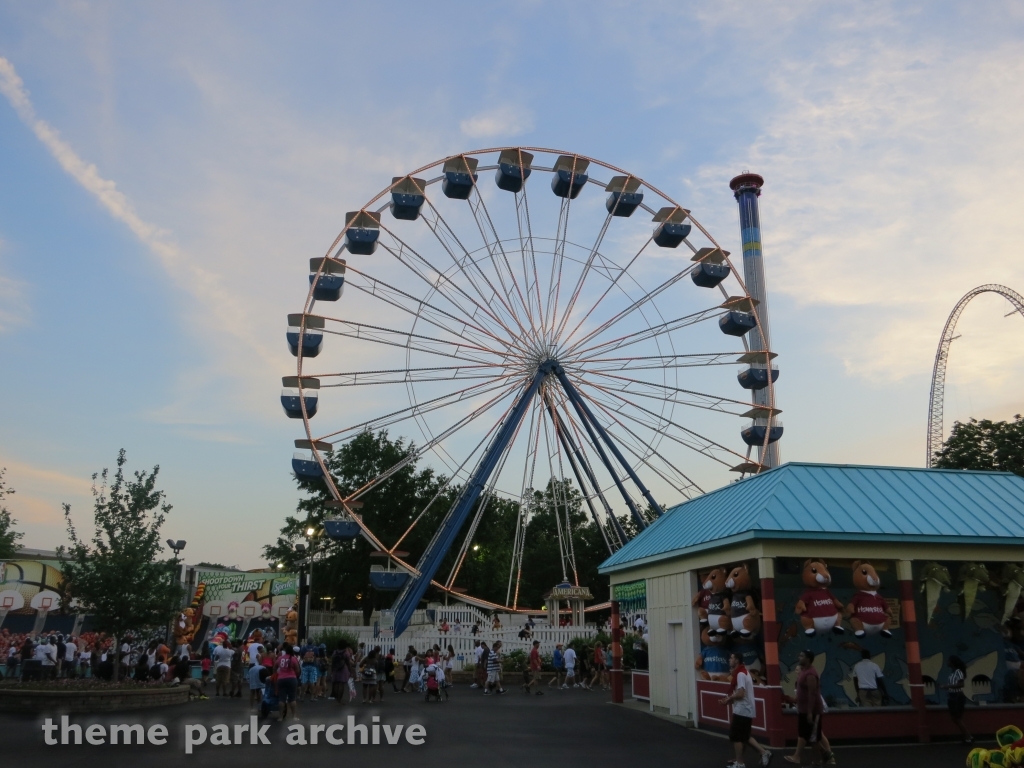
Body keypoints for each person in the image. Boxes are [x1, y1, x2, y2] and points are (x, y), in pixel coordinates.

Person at [720, 651, 772, 768]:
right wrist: (729, 700)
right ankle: (764, 752)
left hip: (743, 709)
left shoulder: (740, 674)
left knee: (736, 736)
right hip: (746, 709)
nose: (729, 660)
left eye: (732, 658)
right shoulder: (743, 672)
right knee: (744, 736)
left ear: (737, 660)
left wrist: (729, 698)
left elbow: (741, 693)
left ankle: (740, 763)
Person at [786, 650, 828, 765]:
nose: (799, 657)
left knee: (813, 738)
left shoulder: (810, 674)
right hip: (803, 710)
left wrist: (810, 712)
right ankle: (825, 754)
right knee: (807, 735)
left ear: (808, 659)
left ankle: (818, 761)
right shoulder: (804, 671)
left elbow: (812, 694)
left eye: (802, 656)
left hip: (812, 711)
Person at [941, 655, 972, 743]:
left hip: (957, 696)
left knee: (957, 718)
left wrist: (947, 686)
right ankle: (968, 736)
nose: (947, 662)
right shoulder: (953, 672)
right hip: (952, 696)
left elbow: (961, 684)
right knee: (955, 718)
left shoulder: (958, 672)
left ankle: (968, 737)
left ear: (952, 662)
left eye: (948, 661)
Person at [276, 645, 301, 721]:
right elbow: (297, 670)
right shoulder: (293, 659)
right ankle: (294, 716)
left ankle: (280, 717)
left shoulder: (280, 658)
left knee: (282, 699)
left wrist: (276, 674)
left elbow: (275, 666)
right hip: (292, 679)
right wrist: (295, 675)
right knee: (292, 698)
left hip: (281, 679)